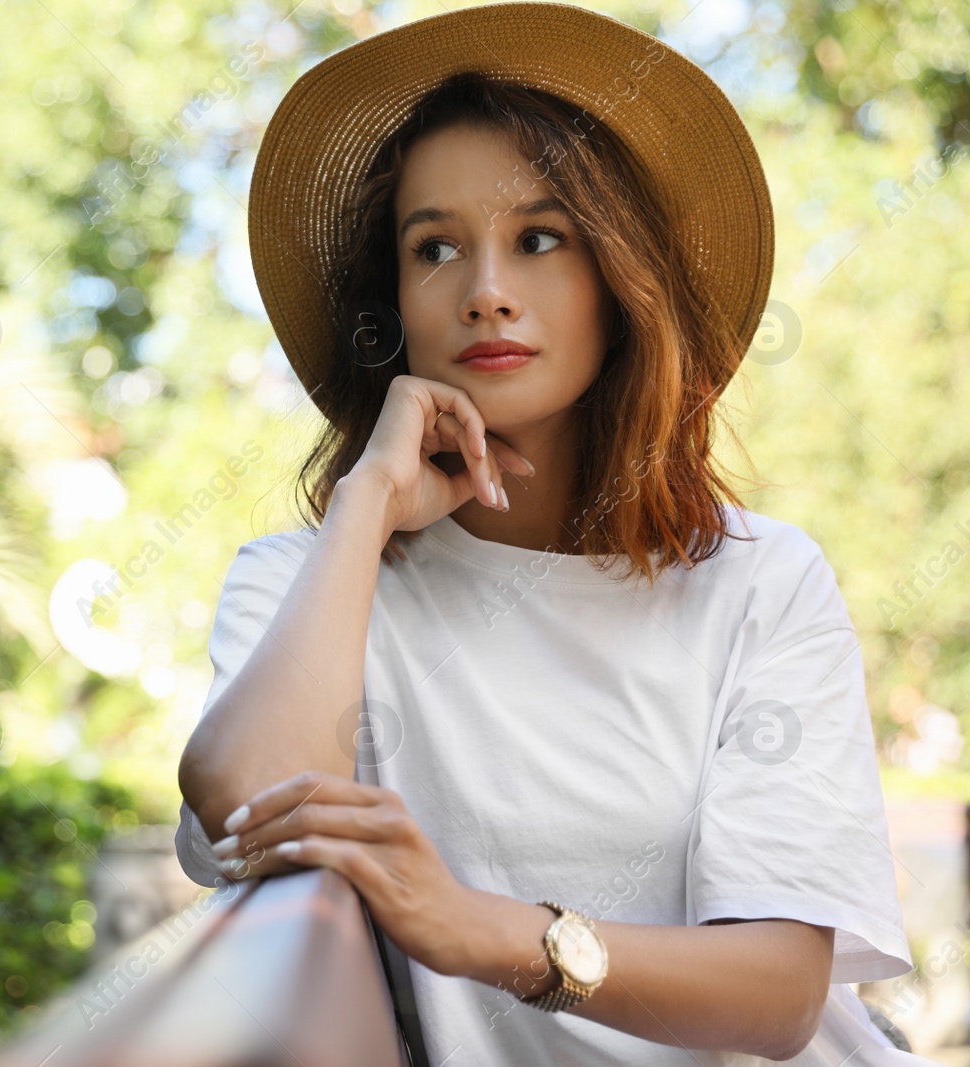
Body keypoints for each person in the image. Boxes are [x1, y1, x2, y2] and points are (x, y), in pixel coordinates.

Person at [174, 4, 933, 1064]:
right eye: (433, 247)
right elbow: (247, 806)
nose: (485, 293)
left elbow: (777, 992)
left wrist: (481, 928)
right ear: (391, 300)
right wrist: (362, 504)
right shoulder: (304, 584)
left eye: (538, 239)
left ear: (617, 281)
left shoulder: (759, 583)